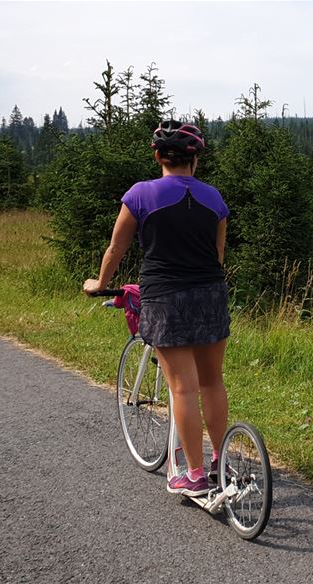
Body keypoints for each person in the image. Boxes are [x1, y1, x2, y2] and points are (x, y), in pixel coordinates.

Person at [83, 120, 230, 497]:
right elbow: (217, 254)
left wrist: (99, 284)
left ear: (157, 156)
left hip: (165, 297)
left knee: (182, 388)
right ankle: (221, 464)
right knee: (212, 381)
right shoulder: (215, 199)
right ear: (194, 159)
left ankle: (194, 475)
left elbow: (116, 250)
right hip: (211, 293)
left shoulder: (140, 195)